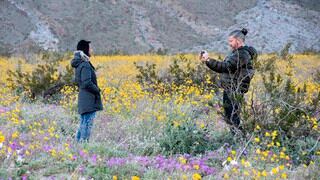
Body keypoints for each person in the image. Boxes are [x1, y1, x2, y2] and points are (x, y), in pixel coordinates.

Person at [199, 28, 257, 134]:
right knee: (231, 116)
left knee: (232, 117)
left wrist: (208, 60)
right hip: (232, 88)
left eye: (231, 41)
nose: (229, 44)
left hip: (234, 89)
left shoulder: (242, 54)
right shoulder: (238, 53)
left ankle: (239, 139)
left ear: (238, 41)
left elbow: (226, 67)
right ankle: (236, 138)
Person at [71, 40, 103, 142]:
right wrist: (97, 90)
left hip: (84, 97)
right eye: (90, 48)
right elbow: (86, 82)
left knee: (83, 123)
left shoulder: (80, 64)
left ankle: (78, 146)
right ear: (85, 49)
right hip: (88, 99)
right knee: (87, 124)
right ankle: (84, 145)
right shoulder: (85, 64)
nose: (91, 50)